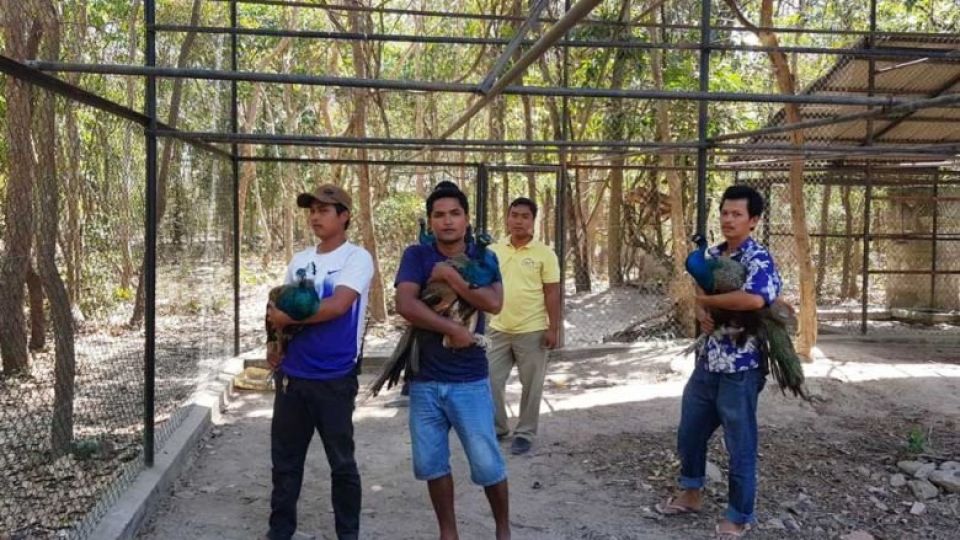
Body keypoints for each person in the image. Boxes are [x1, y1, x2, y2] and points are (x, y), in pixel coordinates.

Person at [656, 185, 782, 540]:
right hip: (709, 360)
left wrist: (711, 303)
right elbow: (700, 294)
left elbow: (755, 299)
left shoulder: (759, 259)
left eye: (737, 214)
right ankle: (690, 492)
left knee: (739, 442)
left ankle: (740, 514)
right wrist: (700, 306)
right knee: (690, 430)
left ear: (753, 221)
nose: (728, 219)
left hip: (741, 365)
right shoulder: (711, 254)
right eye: (725, 213)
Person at [394, 181, 511, 540]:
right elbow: (405, 304)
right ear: (430, 221)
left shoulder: (484, 257)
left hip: (470, 380)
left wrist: (452, 278)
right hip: (425, 379)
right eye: (439, 215)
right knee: (431, 463)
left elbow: (493, 302)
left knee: (487, 462)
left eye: (454, 214)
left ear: (466, 219)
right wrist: (452, 328)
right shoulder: (417, 256)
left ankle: (503, 530)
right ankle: (449, 533)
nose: (447, 221)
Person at [264, 184, 374, 540]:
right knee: (285, 464)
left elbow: (338, 306)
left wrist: (287, 320)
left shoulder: (356, 258)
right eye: (311, 210)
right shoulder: (299, 261)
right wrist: (273, 341)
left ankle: (348, 534)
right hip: (293, 377)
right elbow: (275, 309)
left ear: (344, 216)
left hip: (334, 377)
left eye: (324, 210)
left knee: (341, 463)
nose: (315, 216)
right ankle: (279, 532)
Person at [487, 197, 561, 455]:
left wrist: (553, 328)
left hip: (532, 330)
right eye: (514, 215)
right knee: (490, 379)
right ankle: (498, 428)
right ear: (507, 218)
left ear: (533, 221)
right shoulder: (494, 251)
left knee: (532, 385)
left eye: (524, 216)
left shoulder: (545, 254)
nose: (518, 221)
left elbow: (552, 292)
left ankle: (525, 432)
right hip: (497, 328)